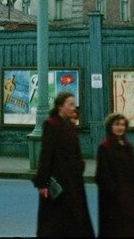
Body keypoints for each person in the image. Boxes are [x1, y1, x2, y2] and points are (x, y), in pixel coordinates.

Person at [32, 91, 94, 237]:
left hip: (73, 182)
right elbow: (46, 155)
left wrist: (80, 166)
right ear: (61, 106)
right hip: (59, 182)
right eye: (70, 104)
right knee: (56, 222)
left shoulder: (69, 125)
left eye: (74, 104)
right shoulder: (51, 125)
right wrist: (42, 184)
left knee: (74, 220)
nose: (74, 108)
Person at [94, 112, 134, 238]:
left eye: (122, 125)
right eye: (116, 124)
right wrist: (113, 191)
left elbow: (132, 171)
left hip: (129, 194)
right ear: (110, 126)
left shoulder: (127, 146)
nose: (120, 128)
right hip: (113, 197)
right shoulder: (104, 147)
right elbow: (102, 174)